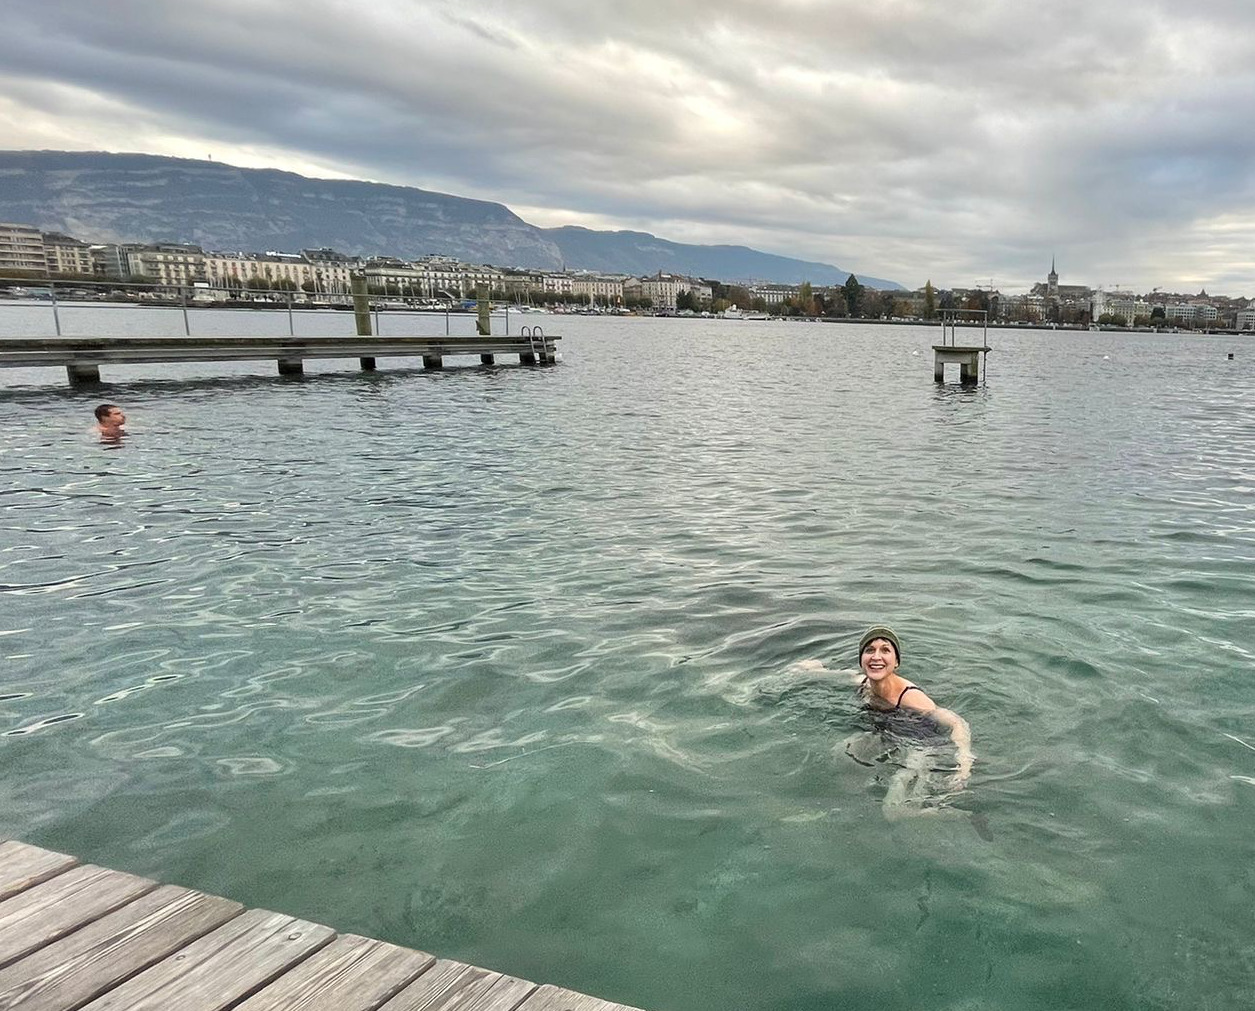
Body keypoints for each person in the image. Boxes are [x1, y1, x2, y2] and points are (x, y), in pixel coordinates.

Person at [799, 625, 974, 815]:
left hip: (923, 747)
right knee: (839, 753)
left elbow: (957, 722)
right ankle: (845, 805)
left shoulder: (910, 697)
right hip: (890, 737)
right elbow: (835, 675)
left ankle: (957, 813)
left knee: (892, 810)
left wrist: (964, 763)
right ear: (861, 660)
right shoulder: (864, 683)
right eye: (869, 650)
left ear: (896, 662)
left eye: (885, 650)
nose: (876, 657)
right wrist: (813, 669)